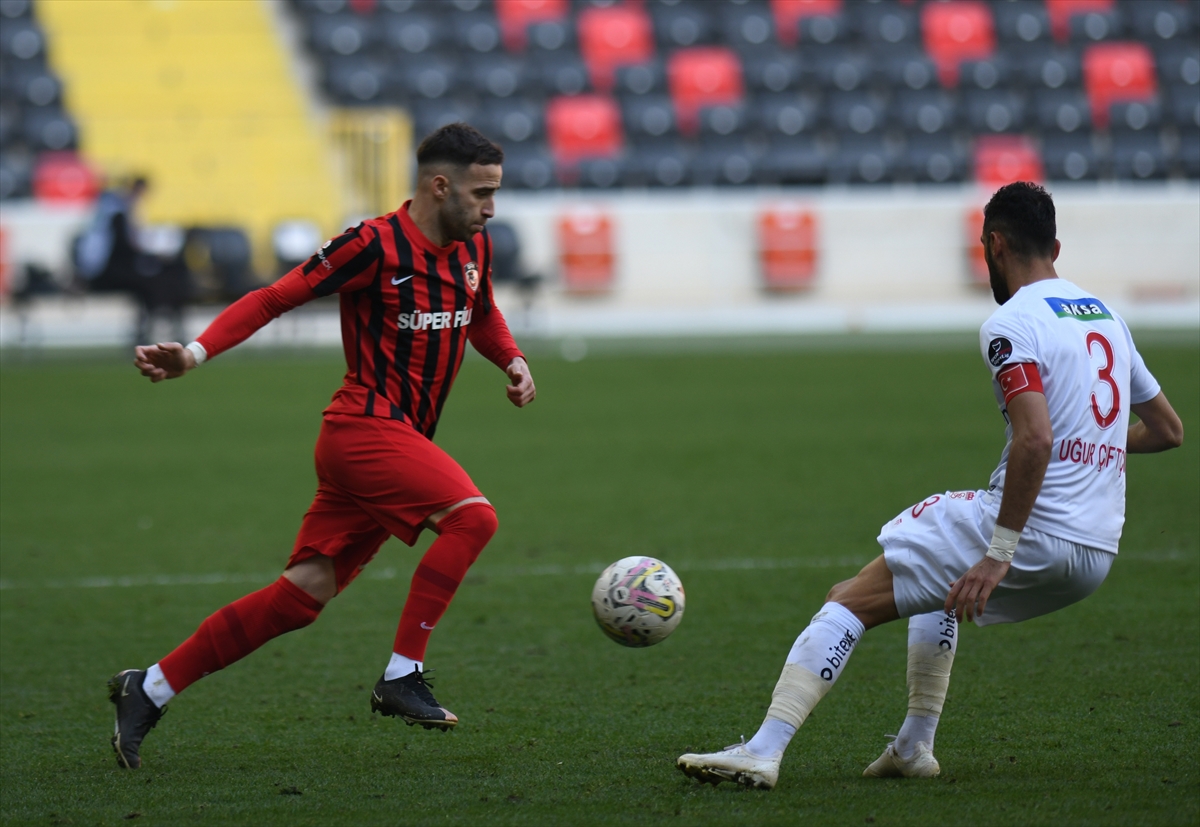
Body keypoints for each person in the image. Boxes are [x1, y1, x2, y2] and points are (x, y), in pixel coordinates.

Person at [676, 182, 1184, 790]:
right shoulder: (1108, 318)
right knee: (934, 572)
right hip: (1096, 552)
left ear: (994, 245)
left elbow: (1035, 440)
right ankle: (914, 745)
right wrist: (1093, 442)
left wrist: (999, 554)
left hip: (1035, 534)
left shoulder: (1011, 323)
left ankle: (763, 750)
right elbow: (1169, 430)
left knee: (849, 598)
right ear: (1055, 247)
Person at [108, 123, 536, 770]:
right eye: (482, 193)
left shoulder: (473, 247)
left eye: (495, 193)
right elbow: (274, 297)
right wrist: (193, 353)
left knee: (301, 596)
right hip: (364, 429)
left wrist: (512, 358)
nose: (492, 208)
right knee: (474, 518)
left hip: (397, 440)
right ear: (438, 186)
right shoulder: (372, 244)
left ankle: (150, 687)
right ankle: (402, 674)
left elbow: (480, 312)